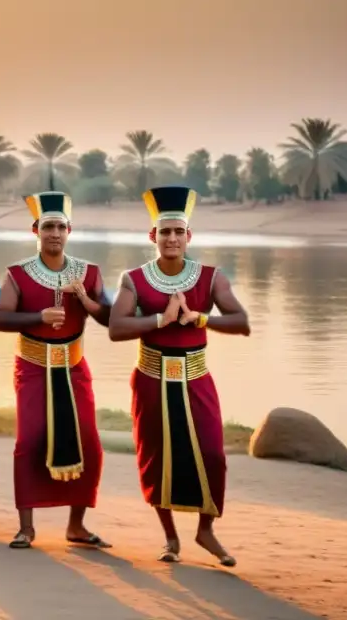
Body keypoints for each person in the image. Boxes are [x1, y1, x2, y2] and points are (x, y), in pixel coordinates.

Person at [108, 185, 250, 567]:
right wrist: (161, 319)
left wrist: (199, 318)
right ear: (153, 236)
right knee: (156, 457)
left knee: (212, 455)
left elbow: (242, 321)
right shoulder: (134, 279)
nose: (171, 238)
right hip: (151, 377)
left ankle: (206, 531)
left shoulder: (211, 277)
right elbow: (115, 328)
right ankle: (170, 538)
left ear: (189, 237)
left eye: (178, 232)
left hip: (195, 377)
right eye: (164, 232)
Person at [0, 192, 112, 550]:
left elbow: (109, 316)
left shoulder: (88, 273)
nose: (54, 233)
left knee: (89, 443)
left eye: (60, 226)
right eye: (48, 227)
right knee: (29, 442)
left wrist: (86, 300)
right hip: (31, 367)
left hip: (74, 367)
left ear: (69, 230)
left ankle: (76, 526)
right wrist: (37, 318)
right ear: (36, 230)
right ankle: (26, 528)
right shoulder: (18, 273)